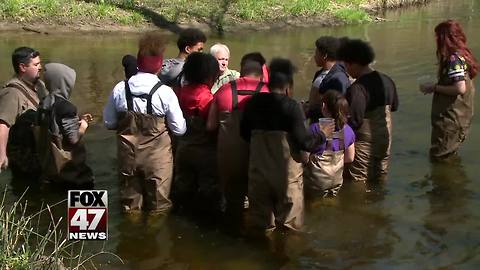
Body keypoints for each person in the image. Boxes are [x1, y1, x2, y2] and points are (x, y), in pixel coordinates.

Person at [240, 58, 332, 233]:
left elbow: (244, 134)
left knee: (262, 226)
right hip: (285, 178)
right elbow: (306, 143)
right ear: (289, 86)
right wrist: (322, 134)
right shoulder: (291, 107)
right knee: (291, 229)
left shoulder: (253, 103)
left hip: (258, 173)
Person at [103, 32, 186, 213]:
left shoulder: (120, 88)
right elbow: (179, 129)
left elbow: (109, 123)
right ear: (158, 65)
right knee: (159, 207)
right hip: (158, 161)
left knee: (130, 207)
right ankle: (152, 236)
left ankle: (131, 236)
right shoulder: (165, 93)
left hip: (128, 157)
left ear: (139, 62)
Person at [206, 53, 269, 225]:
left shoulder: (223, 90)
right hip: (258, 157)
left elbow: (211, 126)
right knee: (258, 204)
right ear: (261, 72)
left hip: (229, 155)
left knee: (232, 202)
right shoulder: (268, 92)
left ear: (241, 70)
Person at [338, 39, 399, 184]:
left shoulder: (358, 88)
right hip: (384, 140)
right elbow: (394, 106)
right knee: (380, 177)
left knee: (357, 181)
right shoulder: (387, 80)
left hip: (364, 145)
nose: (347, 69)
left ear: (353, 63)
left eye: (347, 65)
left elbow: (355, 121)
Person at [420, 20, 478, 160]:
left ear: (445, 39)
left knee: (440, 158)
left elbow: (460, 88)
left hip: (451, 120)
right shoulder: (463, 55)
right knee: (449, 156)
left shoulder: (454, 59)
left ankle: (445, 181)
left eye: (437, 37)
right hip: (459, 118)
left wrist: (434, 87)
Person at [172, 52, 222, 214]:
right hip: (205, 153)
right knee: (208, 192)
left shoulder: (177, 93)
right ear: (210, 77)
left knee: (183, 188)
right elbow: (213, 127)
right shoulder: (208, 98)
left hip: (182, 149)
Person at [36, 63, 94, 188]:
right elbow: (73, 139)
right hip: (70, 174)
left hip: (50, 168)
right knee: (84, 201)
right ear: (64, 83)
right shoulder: (66, 107)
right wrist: (83, 125)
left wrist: (76, 121)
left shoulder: (44, 103)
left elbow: (55, 127)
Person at [0, 46, 46, 175]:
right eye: (36, 64)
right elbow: (3, 124)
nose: (40, 67)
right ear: (22, 67)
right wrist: (2, 155)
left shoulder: (39, 85)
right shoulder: (12, 93)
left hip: (39, 152)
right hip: (24, 158)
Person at [304, 90, 355, 198]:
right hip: (336, 180)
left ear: (323, 107)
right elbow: (350, 158)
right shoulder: (348, 130)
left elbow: (305, 157)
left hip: (317, 181)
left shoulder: (315, 129)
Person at [306, 36, 350, 123]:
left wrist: (309, 110)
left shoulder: (338, 79)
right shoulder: (320, 73)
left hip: (328, 127)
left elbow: (338, 108)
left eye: (316, 53)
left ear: (325, 56)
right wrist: (307, 105)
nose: (314, 56)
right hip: (316, 123)